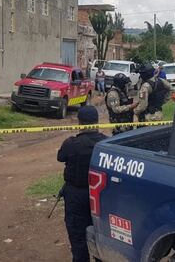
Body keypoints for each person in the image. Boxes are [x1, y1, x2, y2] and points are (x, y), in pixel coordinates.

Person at [57, 106, 108, 262]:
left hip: (76, 195)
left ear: (79, 122)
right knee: (101, 233)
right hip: (100, 196)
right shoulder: (106, 143)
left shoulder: (71, 143)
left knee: (78, 235)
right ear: (97, 122)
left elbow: (61, 157)